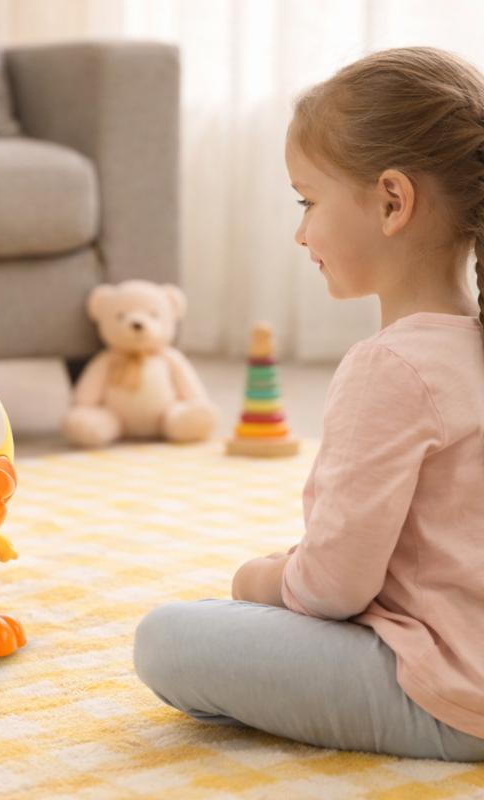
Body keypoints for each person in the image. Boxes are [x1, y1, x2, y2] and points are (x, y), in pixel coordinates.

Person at [134, 46, 484, 761]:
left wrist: (261, 578)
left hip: (448, 695)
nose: (300, 232)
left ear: (392, 201)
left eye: (308, 201)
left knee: (167, 639)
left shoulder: (391, 367)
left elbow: (333, 590)